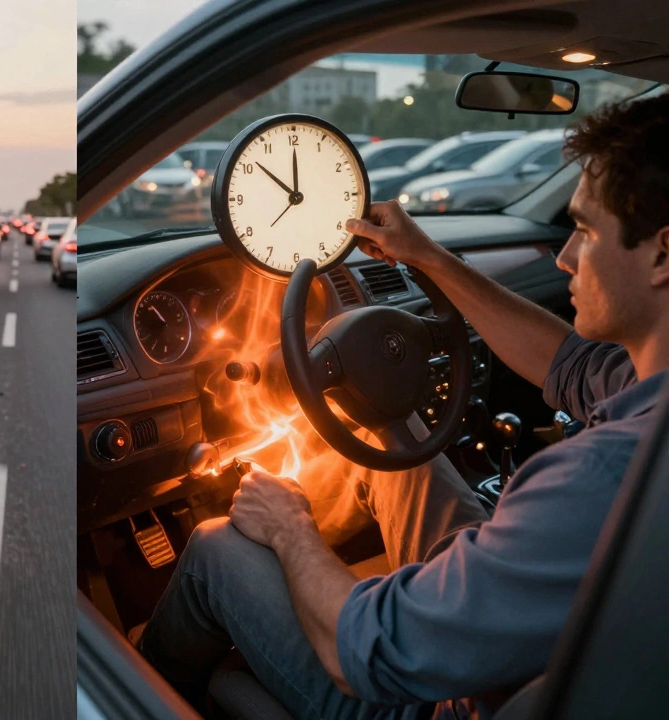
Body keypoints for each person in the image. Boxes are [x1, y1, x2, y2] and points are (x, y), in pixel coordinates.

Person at [139, 92, 669, 720]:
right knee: (387, 433)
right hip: (523, 637)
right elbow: (569, 364)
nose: (563, 258)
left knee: (212, 548)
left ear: (663, 253)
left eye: (583, 230)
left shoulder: (598, 481)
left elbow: (369, 646)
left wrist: (289, 528)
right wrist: (428, 258)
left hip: (433, 699)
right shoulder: (643, 394)